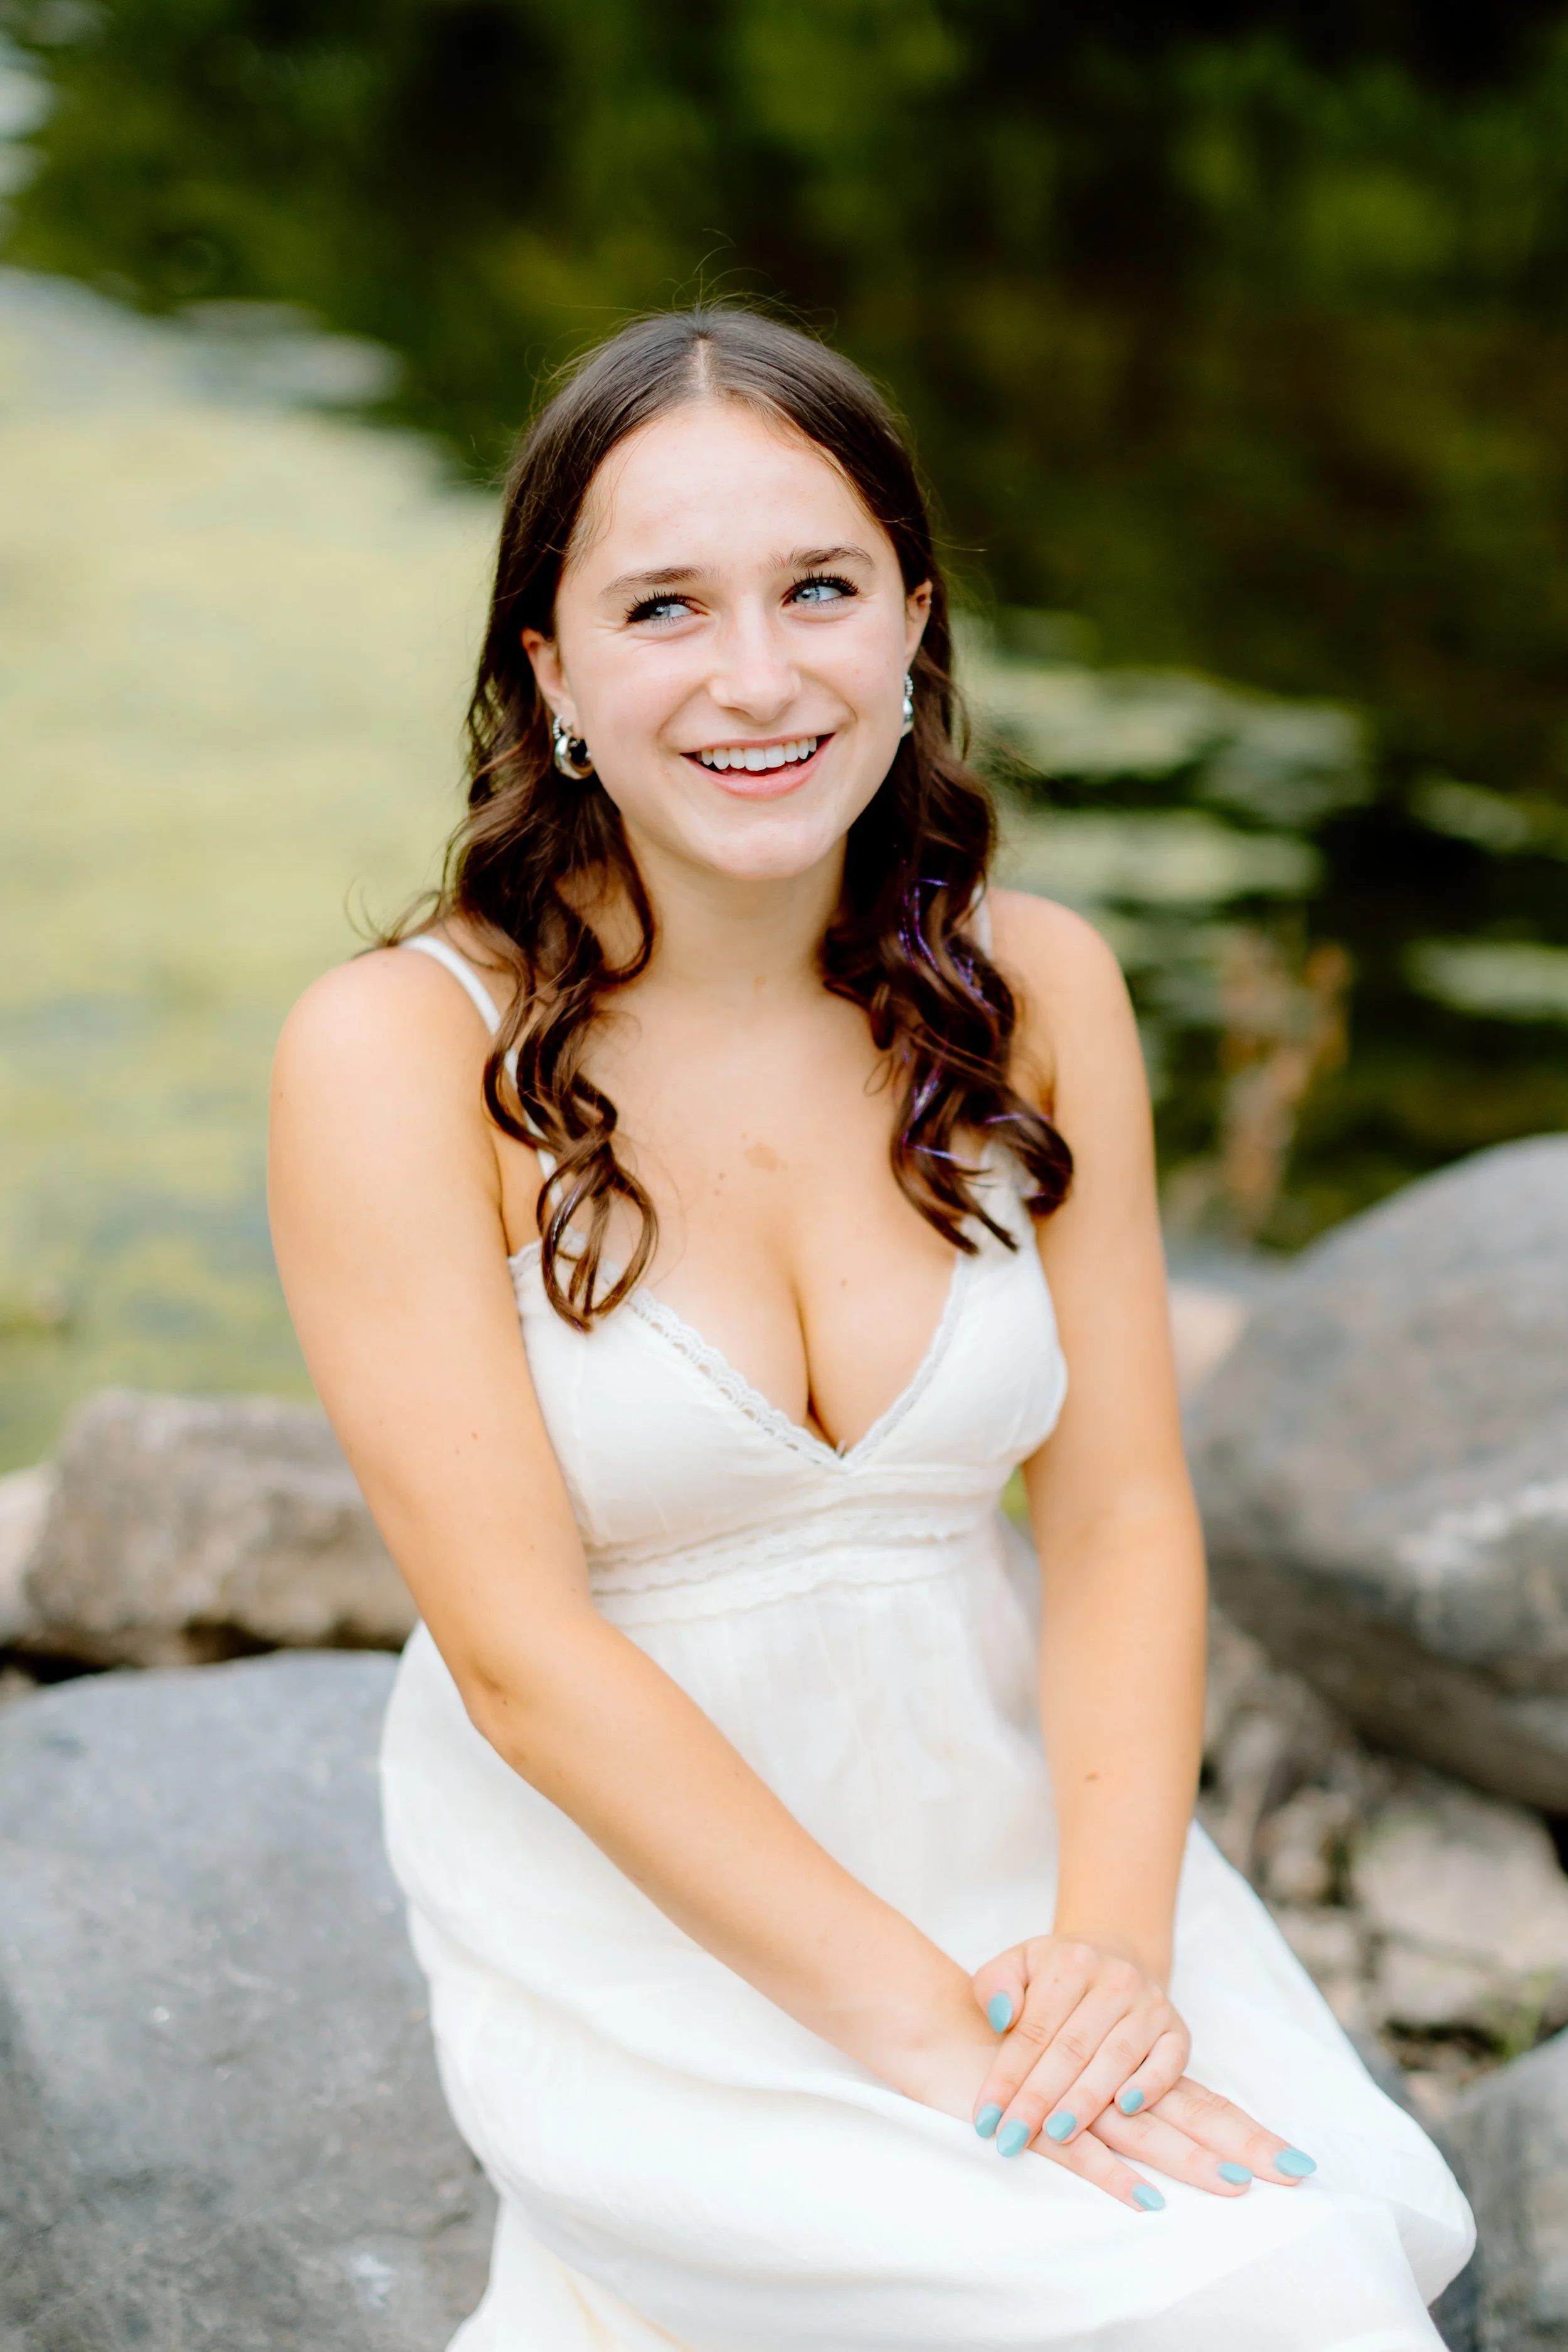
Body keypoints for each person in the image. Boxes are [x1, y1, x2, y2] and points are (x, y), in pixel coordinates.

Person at [268, 308, 1473, 2349]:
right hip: (650, 1921)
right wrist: (938, 2042)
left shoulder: (1041, 989)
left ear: (910, 622)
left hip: (1016, 1825)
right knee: (1252, 2291)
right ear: (550, 672)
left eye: (817, 587)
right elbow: (518, 1652)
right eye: (663, 605)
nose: (757, 677)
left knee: (1321, 2244)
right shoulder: (399, 1052)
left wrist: (1108, 1949)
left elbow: (1112, 1520)